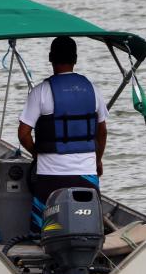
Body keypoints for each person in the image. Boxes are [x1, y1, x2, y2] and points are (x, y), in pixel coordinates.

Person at [17, 36, 109, 232]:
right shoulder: (93, 90)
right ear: (75, 59)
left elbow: (23, 134)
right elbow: (102, 133)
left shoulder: (40, 92)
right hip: (86, 174)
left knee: (41, 231)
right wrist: (97, 160)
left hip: (50, 176)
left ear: (50, 58)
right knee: (89, 229)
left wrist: (37, 153)